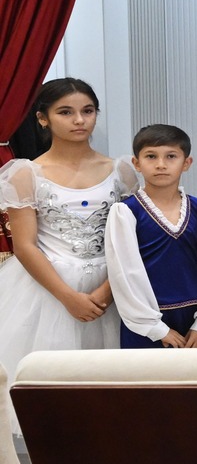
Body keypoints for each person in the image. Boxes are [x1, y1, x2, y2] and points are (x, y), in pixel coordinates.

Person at [0, 80, 127, 374]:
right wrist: (68, 297)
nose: (79, 120)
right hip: (48, 288)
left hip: (113, 283)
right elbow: (25, 246)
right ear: (43, 118)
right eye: (66, 112)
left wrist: (108, 291)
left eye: (88, 111)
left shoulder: (121, 171)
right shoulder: (25, 174)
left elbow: (131, 240)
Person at [106, 124, 197, 350]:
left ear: (186, 163)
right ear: (136, 163)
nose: (161, 164)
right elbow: (124, 273)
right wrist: (155, 328)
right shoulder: (126, 211)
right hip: (145, 323)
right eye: (151, 156)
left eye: (171, 156)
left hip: (194, 321)